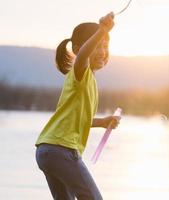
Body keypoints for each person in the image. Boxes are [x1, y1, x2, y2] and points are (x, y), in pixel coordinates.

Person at [35, 12, 118, 200]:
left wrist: (102, 122)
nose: (102, 51)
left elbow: (78, 120)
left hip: (47, 150)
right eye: (97, 45)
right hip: (61, 149)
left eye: (105, 46)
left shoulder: (88, 82)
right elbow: (83, 57)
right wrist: (102, 30)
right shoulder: (80, 70)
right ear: (79, 49)